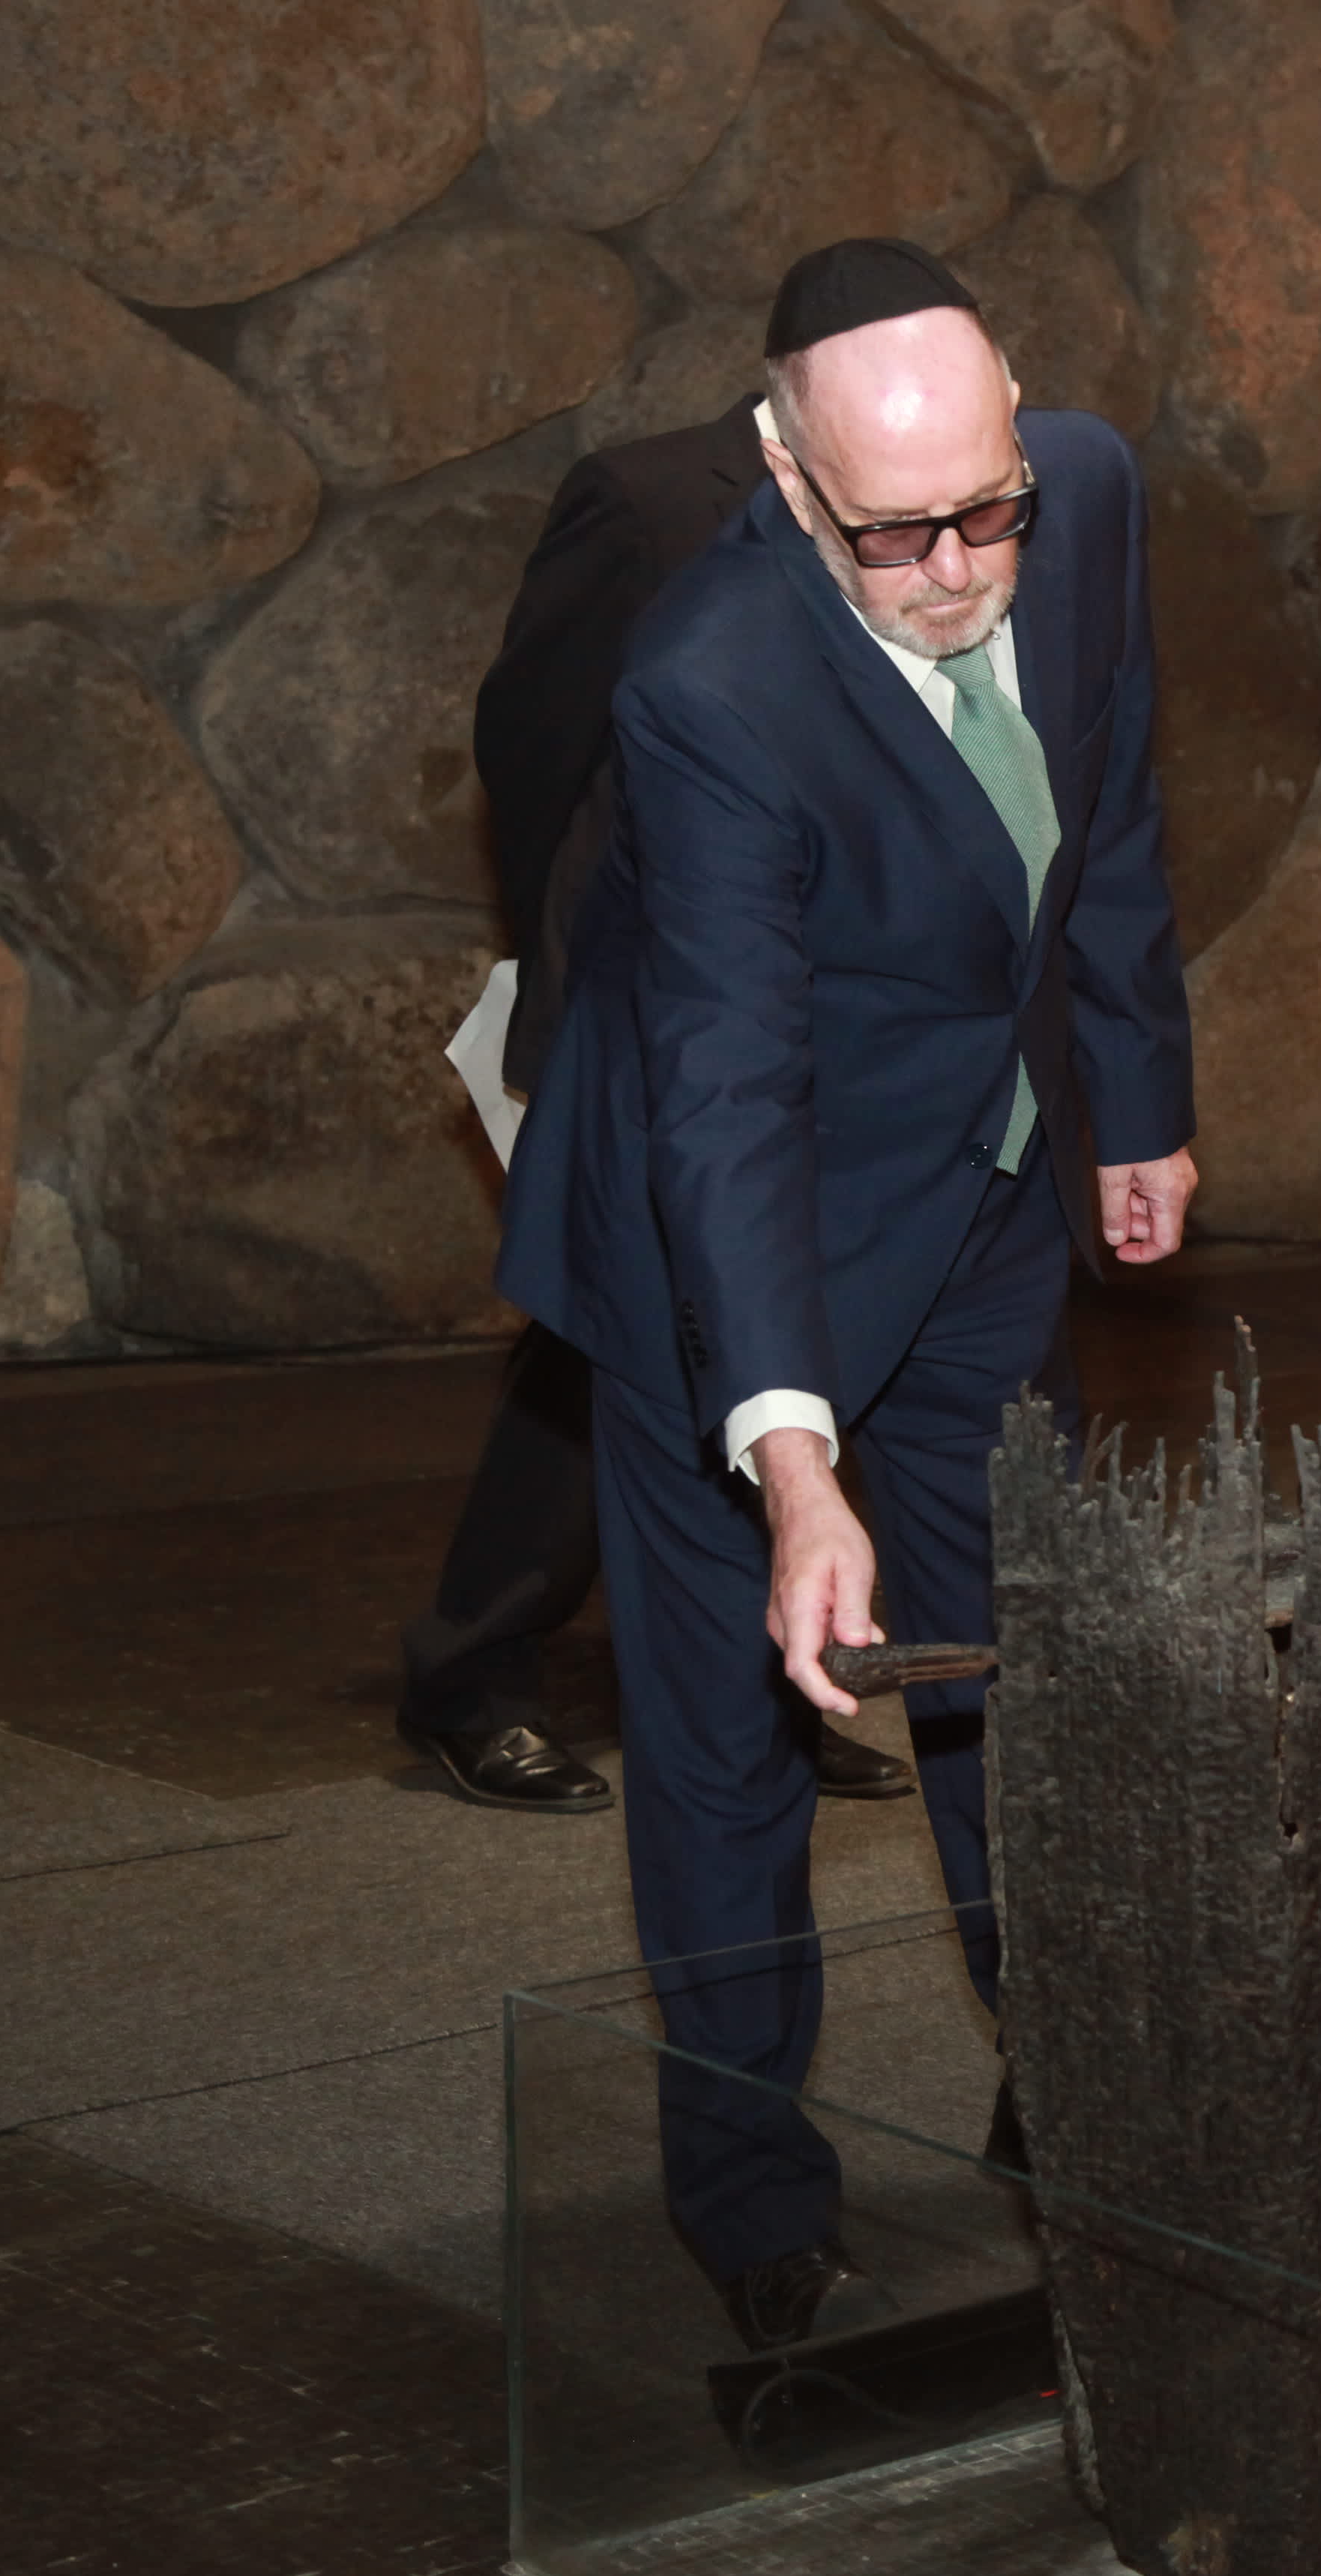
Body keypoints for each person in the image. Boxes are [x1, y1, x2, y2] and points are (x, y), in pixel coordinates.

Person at [496, 238, 1199, 2346]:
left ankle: (1073, 2103)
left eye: (989, 511)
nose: (962, 567)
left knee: (1013, 1661)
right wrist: (794, 1465)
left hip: (977, 1188)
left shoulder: (1077, 496)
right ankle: (748, 2194)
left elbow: (1115, 804)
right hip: (727, 1234)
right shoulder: (710, 679)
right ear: (791, 477)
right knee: (729, 1732)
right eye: (896, 536)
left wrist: (1133, 1097)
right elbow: (725, 1084)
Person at [395, 395, 915, 1816]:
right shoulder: (644, 498)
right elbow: (535, 740)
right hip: (647, 992)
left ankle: (778, 1678)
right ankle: (471, 1670)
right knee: (600, 1334)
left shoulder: (958, 494)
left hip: (836, 1000)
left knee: (782, 1341)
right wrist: (574, 949)